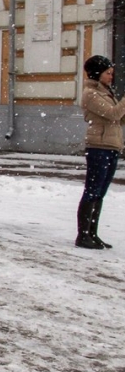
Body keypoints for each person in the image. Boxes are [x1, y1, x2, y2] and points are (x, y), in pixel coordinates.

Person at [76, 55, 125, 249]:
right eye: (108, 73)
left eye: (111, 73)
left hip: (111, 146)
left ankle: (93, 234)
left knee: (100, 193)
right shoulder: (90, 93)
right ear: (98, 74)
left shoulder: (106, 92)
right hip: (98, 147)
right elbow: (113, 114)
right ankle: (83, 235)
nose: (111, 76)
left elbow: (118, 119)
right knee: (92, 191)